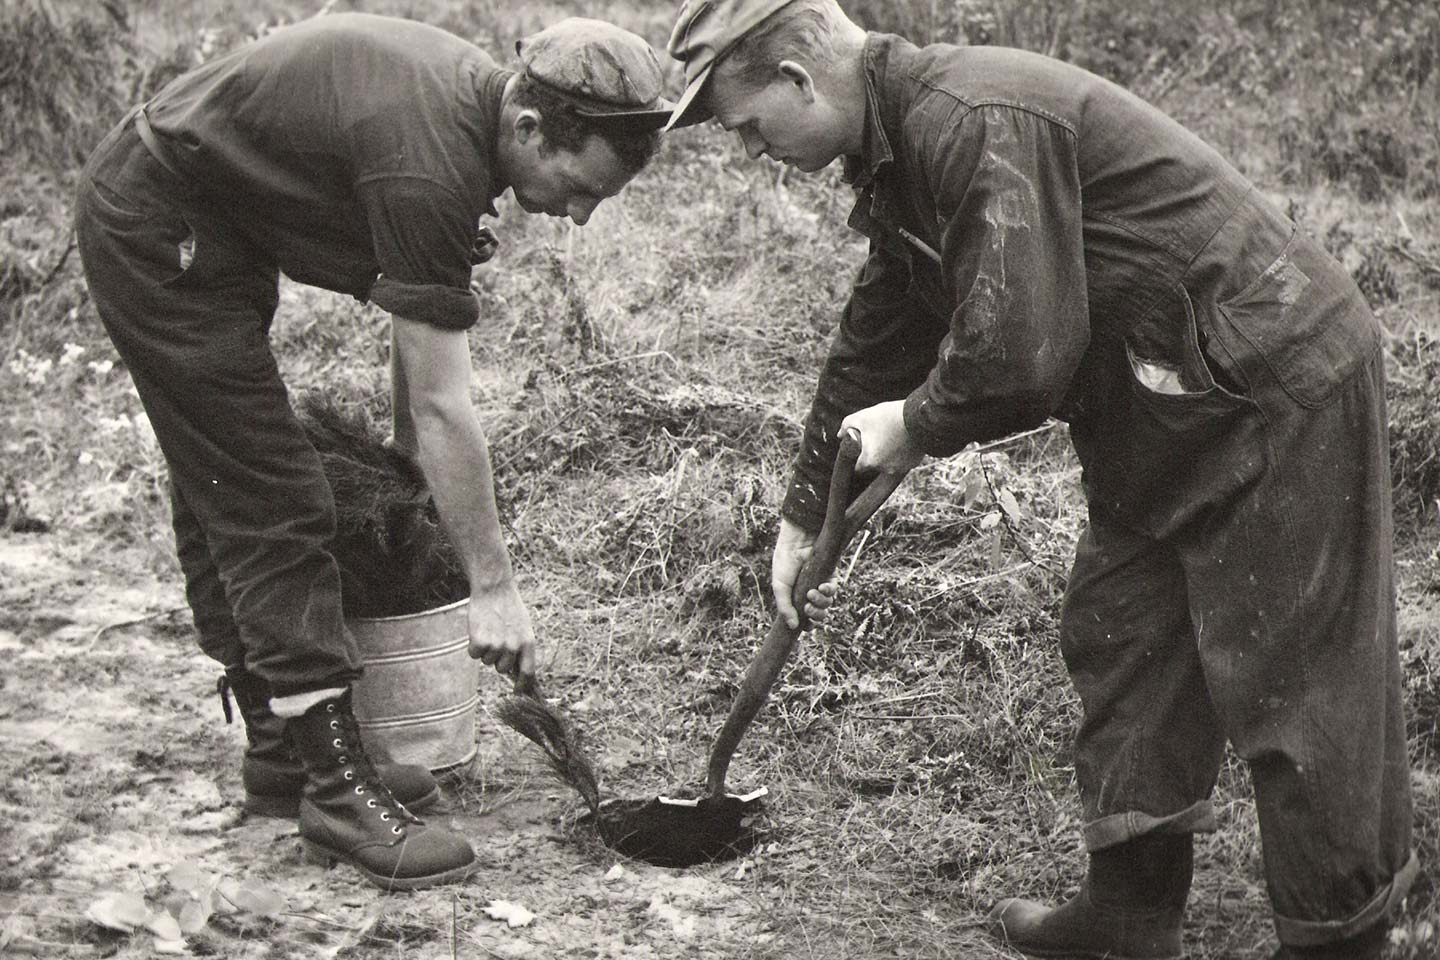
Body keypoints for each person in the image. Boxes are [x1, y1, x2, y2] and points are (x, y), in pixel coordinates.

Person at [665, 1, 1416, 957]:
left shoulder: (971, 117)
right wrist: (804, 510)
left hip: (1272, 377)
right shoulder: (900, 145)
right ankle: (1128, 919)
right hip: (1166, 393)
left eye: (747, 126)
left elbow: (1023, 353)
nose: (751, 149)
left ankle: (1340, 938)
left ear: (798, 83)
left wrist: (916, 422)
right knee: (1123, 634)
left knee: (1298, 685)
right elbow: (886, 320)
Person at [75, 11, 675, 891]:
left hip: (209, 220)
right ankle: (334, 792)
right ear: (530, 127)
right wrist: (493, 587)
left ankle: (286, 754)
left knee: (232, 475)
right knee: (272, 498)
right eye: (576, 185)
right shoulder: (429, 161)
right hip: (157, 227)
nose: (577, 214)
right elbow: (444, 403)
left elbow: (415, 335)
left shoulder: (472, 116)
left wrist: (408, 457)